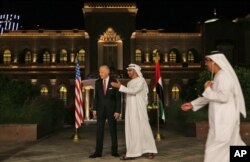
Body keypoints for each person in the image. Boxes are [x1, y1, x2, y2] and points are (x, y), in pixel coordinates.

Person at [181, 51, 247, 162]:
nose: (206, 64)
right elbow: (210, 96)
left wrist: (207, 89)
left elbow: (223, 97)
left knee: (214, 150)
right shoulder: (219, 76)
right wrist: (193, 104)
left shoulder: (224, 76)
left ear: (214, 62)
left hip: (224, 120)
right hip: (220, 120)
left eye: (207, 61)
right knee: (233, 146)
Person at [111, 63, 158, 160]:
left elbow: (134, 91)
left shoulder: (141, 80)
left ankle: (150, 150)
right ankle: (133, 152)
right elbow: (129, 91)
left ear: (136, 71)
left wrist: (120, 87)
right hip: (130, 110)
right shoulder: (129, 83)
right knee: (132, 130)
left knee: (143, 128)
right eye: (128, 70)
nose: (128, 72)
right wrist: (121, 87)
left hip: (139, 109)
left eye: (130, 70)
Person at [89, 65, 121, 158]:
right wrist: (94, 109)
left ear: (107, 72)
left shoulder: (114, 82)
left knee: (113, 131)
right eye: (99, 72)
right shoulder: (97, 82)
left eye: (102, 72)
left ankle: (114, 151)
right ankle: (98, 152)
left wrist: (118, 111)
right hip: (100, 110)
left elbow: (118, 98)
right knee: (99, 131)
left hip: (112, 111)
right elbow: (96, 97)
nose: (100, 74)